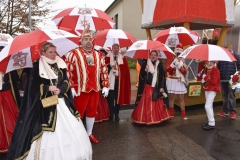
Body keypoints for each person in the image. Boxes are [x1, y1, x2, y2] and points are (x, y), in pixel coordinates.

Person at [6, 42, 92, 160]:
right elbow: (33, 87)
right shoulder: (37, 67)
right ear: (43, 53)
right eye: (50, 52)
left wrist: (60, 89)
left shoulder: (59, 64)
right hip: (45, 106)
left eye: (54, 52)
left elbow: (66, 82)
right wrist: (47, 88)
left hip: (61, 102)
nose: (53, 54)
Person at [64, 25, 109, 143]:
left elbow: (104, 70)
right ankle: (77, 135)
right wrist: (72, 86)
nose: (88, 41)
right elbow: (68, 71)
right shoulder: (73, 53)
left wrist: (105, 85)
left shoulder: (98, 54)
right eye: (85, 39)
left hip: (95, 88)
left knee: (92, 112)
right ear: (81, 41)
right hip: (80, 90)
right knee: (78, 112)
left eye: (90, 39)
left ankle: (89, 133)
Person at [131, 50, 171, 125]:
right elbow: (141, 76)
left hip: (157, 87)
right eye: (151, 55)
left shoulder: (159, 64)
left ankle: (157, 118)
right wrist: (145, 69)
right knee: (147, 104)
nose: (153, 56)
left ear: (157, 56)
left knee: (157, 103)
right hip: (147, 87)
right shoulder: (145, 63)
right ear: (149, 55)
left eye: (154, 55)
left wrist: (162, 87)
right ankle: (147, 119)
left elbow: (162, 77)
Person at [105, 43, 131, 121]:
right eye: (114, 48)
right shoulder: (108, 57)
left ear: (119, 49)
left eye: (117, 48)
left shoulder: (122, 58)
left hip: (119, 82)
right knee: (111, 98)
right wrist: (110, 66)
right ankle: (111, 113)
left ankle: (117, 113)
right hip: (110, 81)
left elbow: (125, 71)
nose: (116, 49)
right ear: (112, 49)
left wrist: (119, 71)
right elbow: (103, 69)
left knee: (118, 98)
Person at [217, 44, 240, 119]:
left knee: (231, 96)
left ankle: (232, 111)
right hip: (223, 79)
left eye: (226, 49)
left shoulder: (236, 56)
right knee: (224, 96)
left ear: (230, 48)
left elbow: (239, 67)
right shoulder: (221, 57)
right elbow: (218, 67)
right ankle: (225, 110)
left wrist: (237, 76)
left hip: (232, 79)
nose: (225, 51)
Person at [0, 70, 21, 154]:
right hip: (5, 94)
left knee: (10, 120)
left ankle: (13, 143)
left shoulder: (7, 67)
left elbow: (13, 80)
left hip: (6, 94)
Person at [166, 43, 188, 120]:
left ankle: (183, 114)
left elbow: (184, 72)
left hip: (179, 81)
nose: (178, 55)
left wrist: (178, 64)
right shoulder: (170, 60)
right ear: (175, 53)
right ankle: (171, 113)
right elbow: (168, 70)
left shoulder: (183, 62)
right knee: (171, 98)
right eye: (177, 53)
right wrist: (173, 64)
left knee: (181, 99)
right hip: (171, 80)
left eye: (179, 54)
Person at [202, 61, 220, 130]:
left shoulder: (214, 69)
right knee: (209, 106)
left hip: (212, 89)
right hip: (208, 89)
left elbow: (214, 81)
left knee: (207, 106)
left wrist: (205, 78)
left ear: (213, 62)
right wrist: (204, 80)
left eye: (209, 61)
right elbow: (209, 79)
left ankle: (212, 123)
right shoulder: (209, 69)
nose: (207, 62)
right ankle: (210, 122)